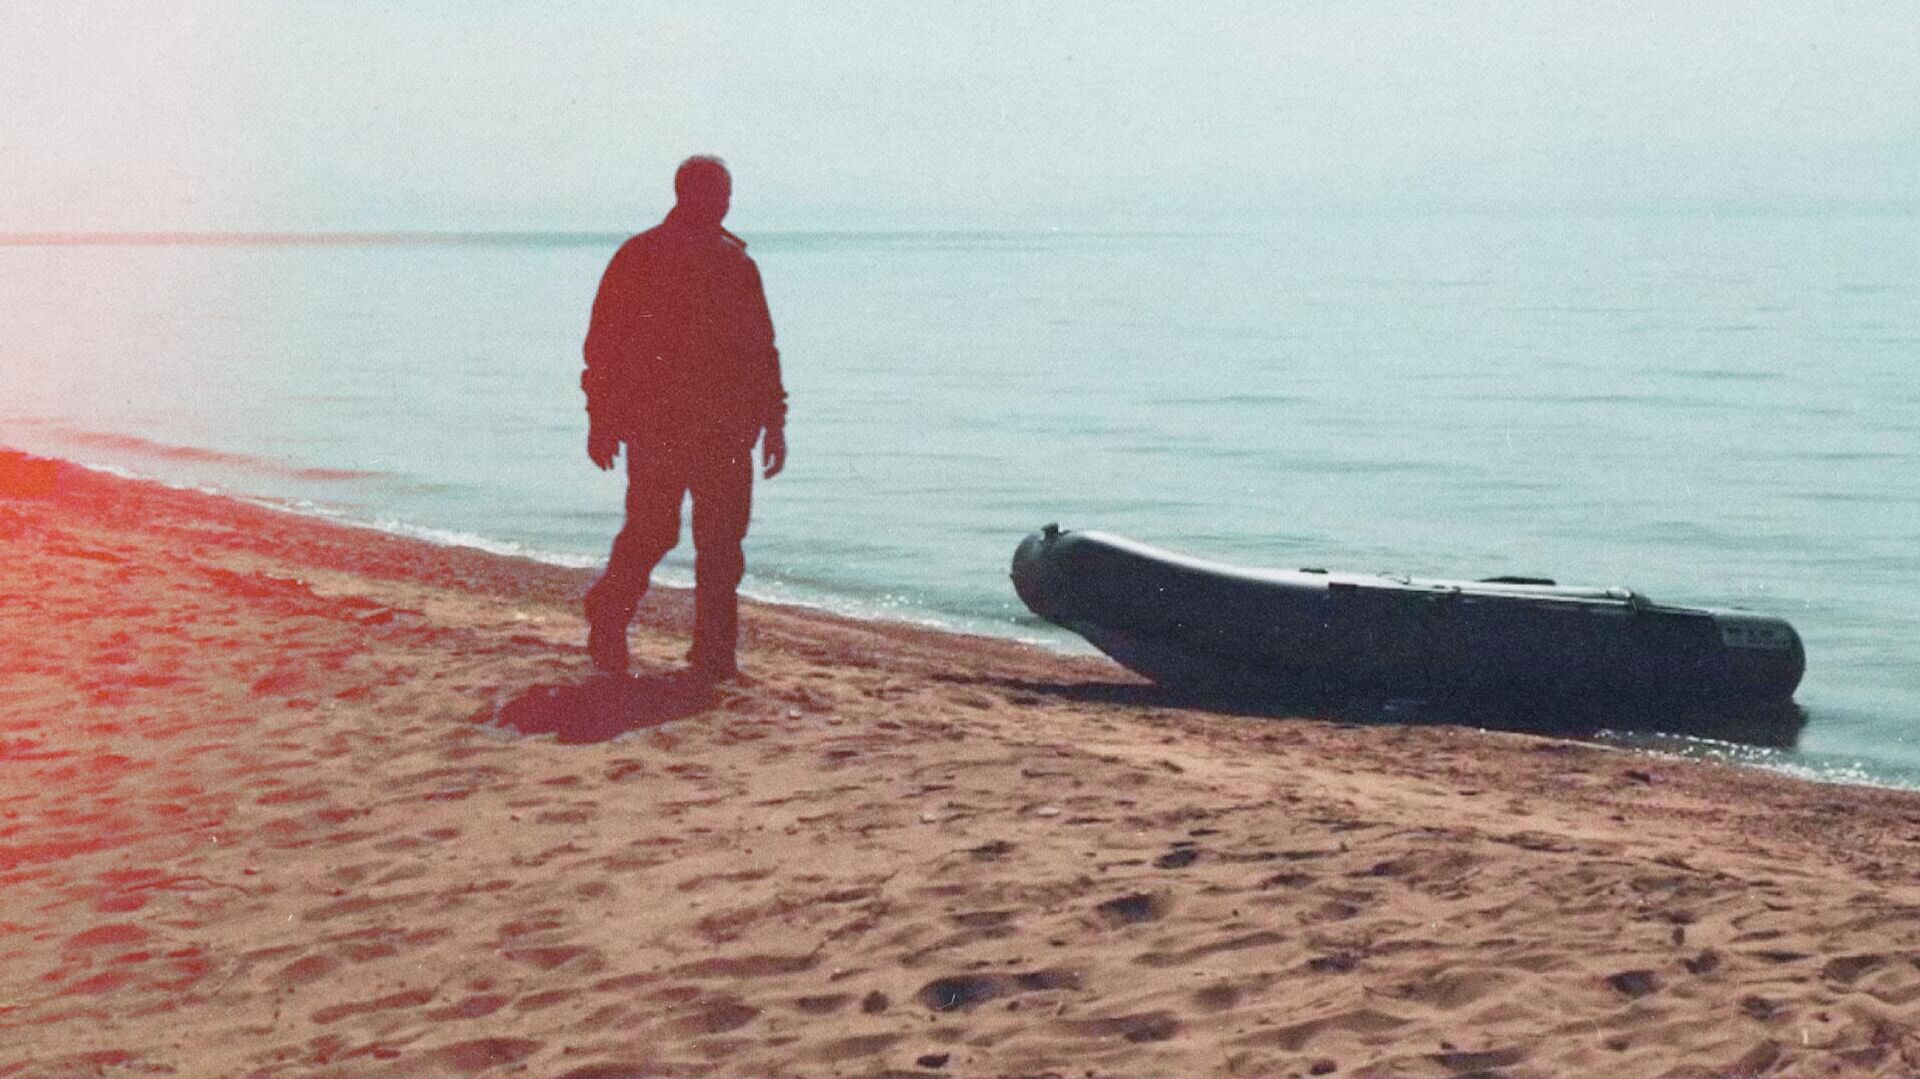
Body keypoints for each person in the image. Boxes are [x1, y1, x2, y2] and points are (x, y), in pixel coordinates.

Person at [579, 155, 787, 679]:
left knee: (721, 546)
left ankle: (714, 655)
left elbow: (761, 350)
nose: (724, 204)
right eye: (716, 194)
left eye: (726, 195)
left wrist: (774, 422)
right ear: (687, 195)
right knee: (653, 532)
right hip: (660, 426)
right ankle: (608, 615)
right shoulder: (640, 256)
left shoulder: (736, 264)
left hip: (725, 429)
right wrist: (601, 419)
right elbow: (604, 345)